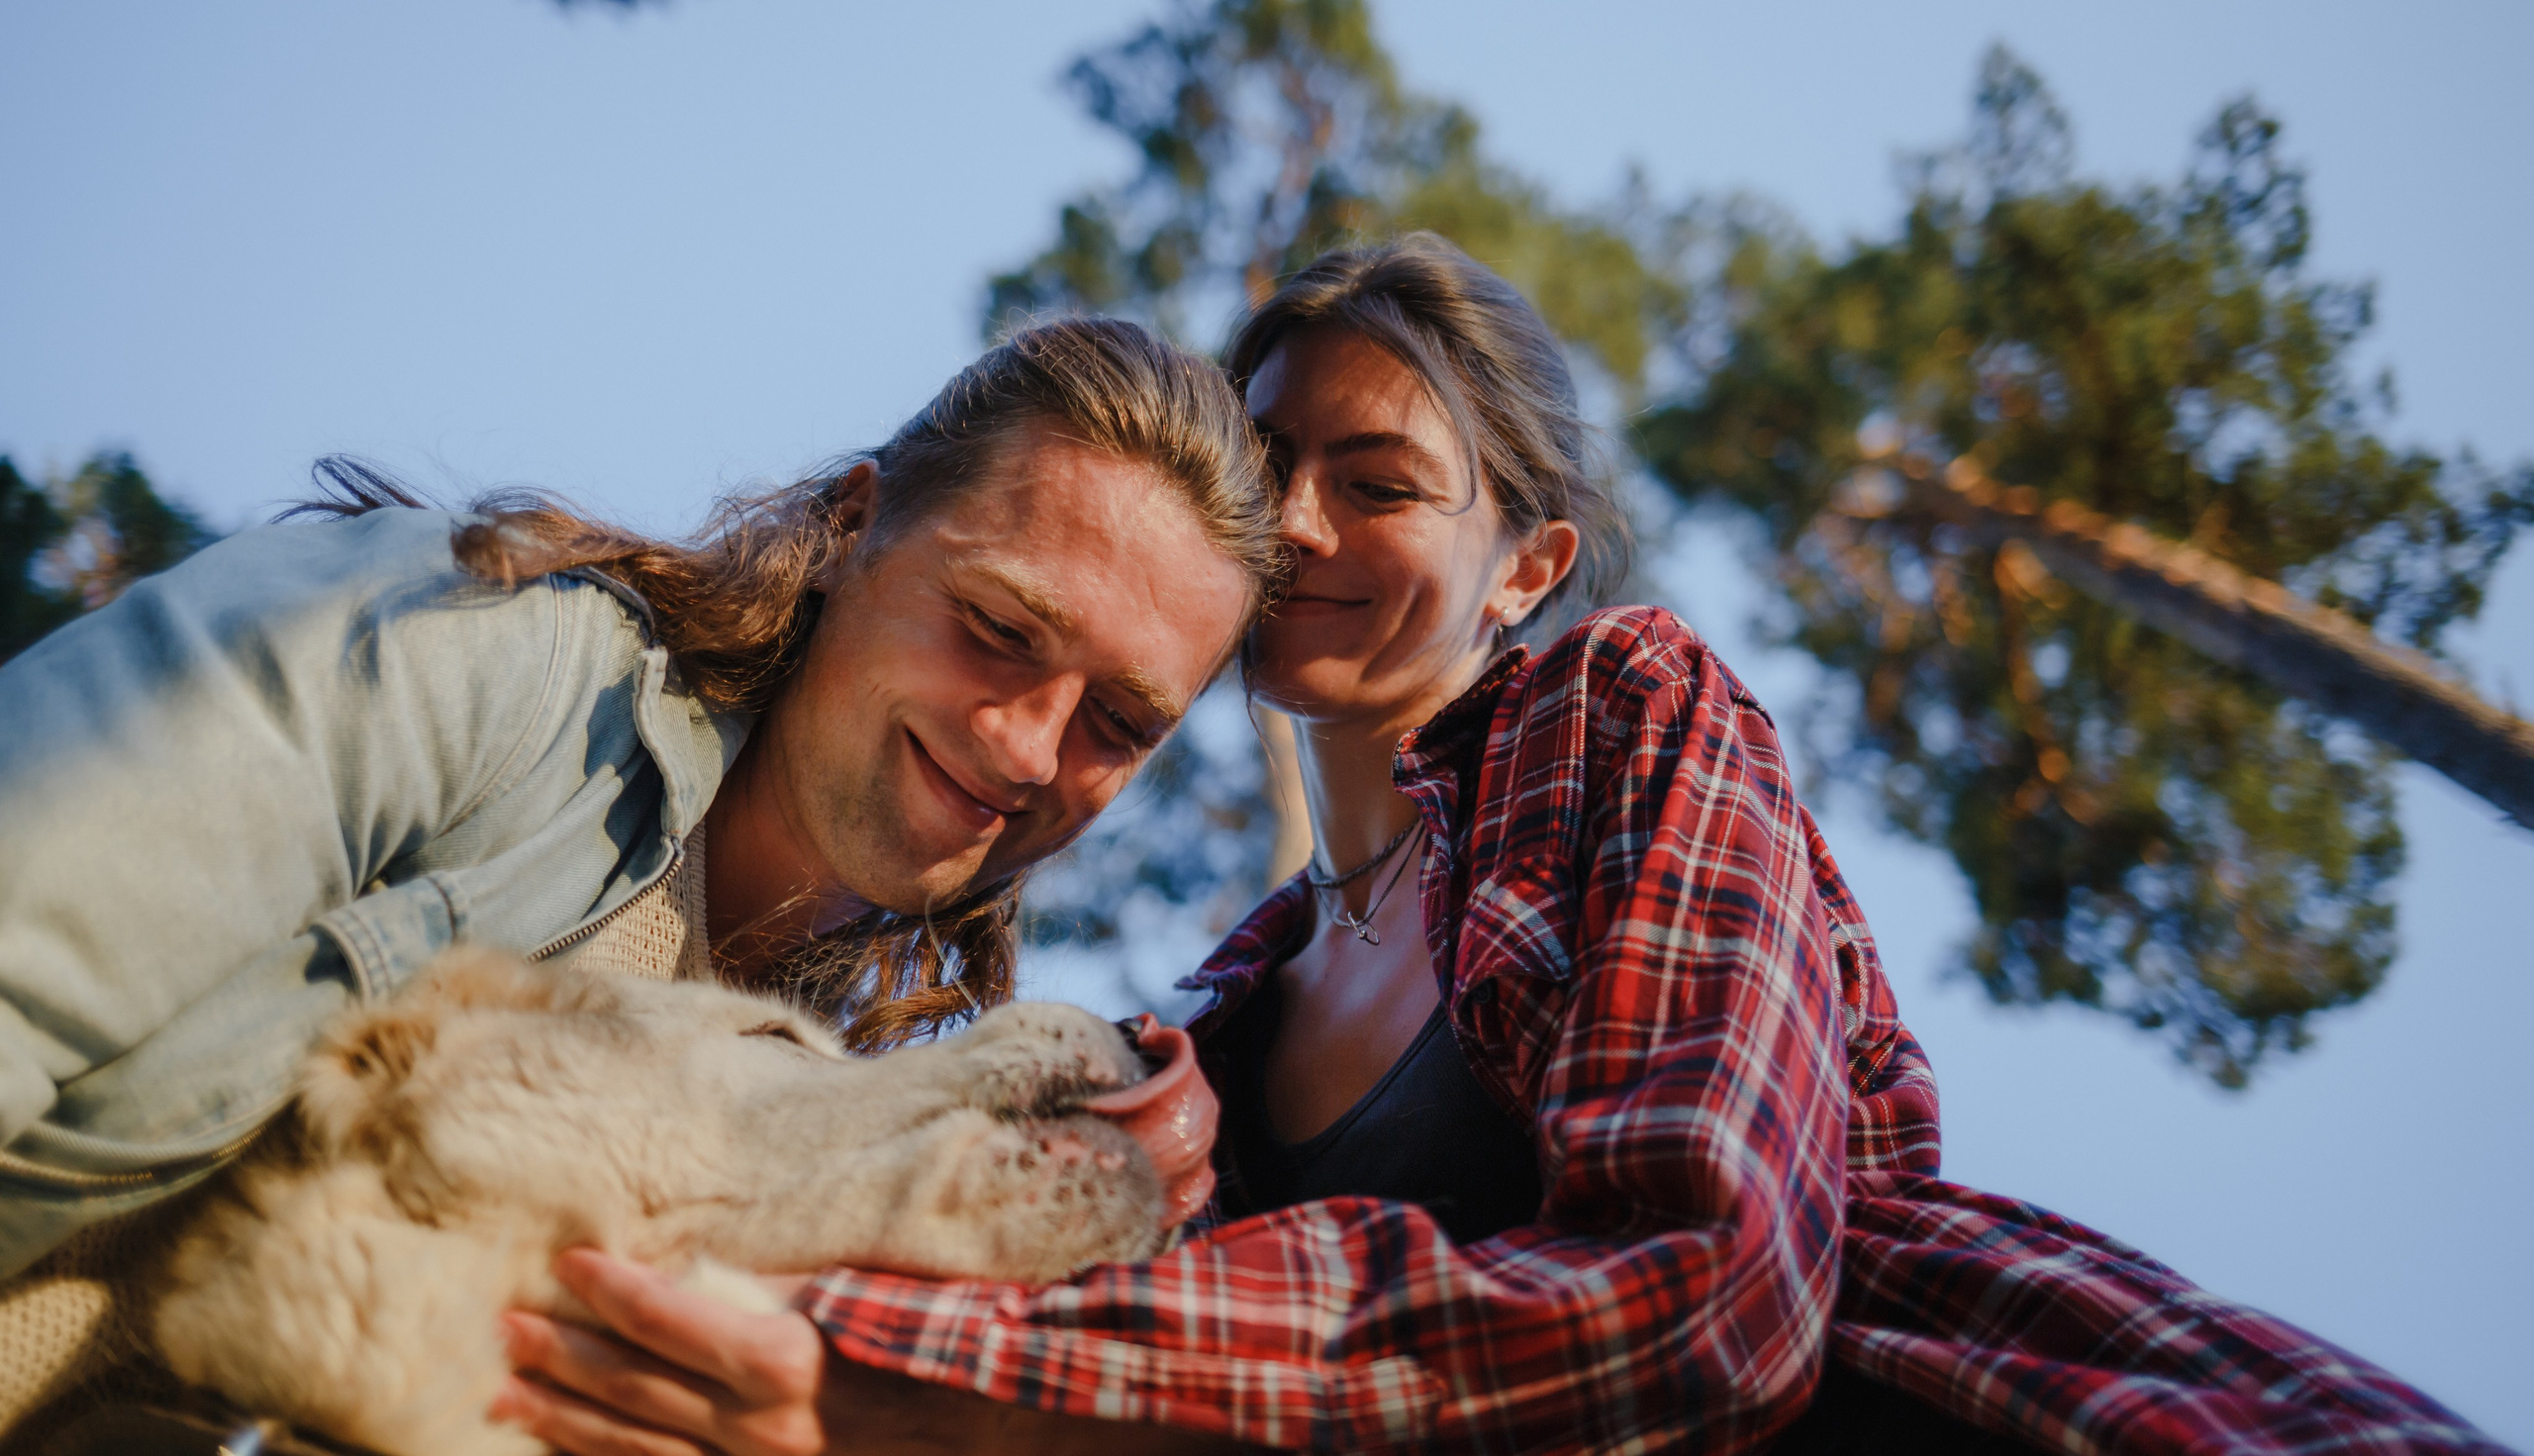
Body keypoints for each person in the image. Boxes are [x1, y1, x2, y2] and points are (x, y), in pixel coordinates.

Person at [502, 235, 2509, 1456]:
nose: (1287, 526)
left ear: (1521, 563)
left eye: (1370, 481)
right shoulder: (1214, 1004)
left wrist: (941, 1392)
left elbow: (1697, 1288)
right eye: (1261, 468)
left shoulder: (1620, 711)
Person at [0, 317, 1282, 1425]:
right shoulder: (486, 661)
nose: (1027, 743)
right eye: (996, 628)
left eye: (1118, 722)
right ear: (851, 525)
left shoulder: (804, 1110)